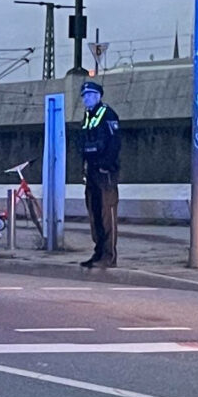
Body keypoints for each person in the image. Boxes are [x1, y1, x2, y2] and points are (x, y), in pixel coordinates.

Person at [76, 78, 122, 269]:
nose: (86, 99)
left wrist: (106, 165)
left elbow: (114, 143)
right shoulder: (87, 116)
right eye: (84, 96)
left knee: (106, 213)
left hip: (105, 173)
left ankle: (109, 256)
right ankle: (98, 252)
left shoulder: (108, 115)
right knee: (94, 212)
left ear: (98, 96)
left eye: (90, 95)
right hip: (92, 170)